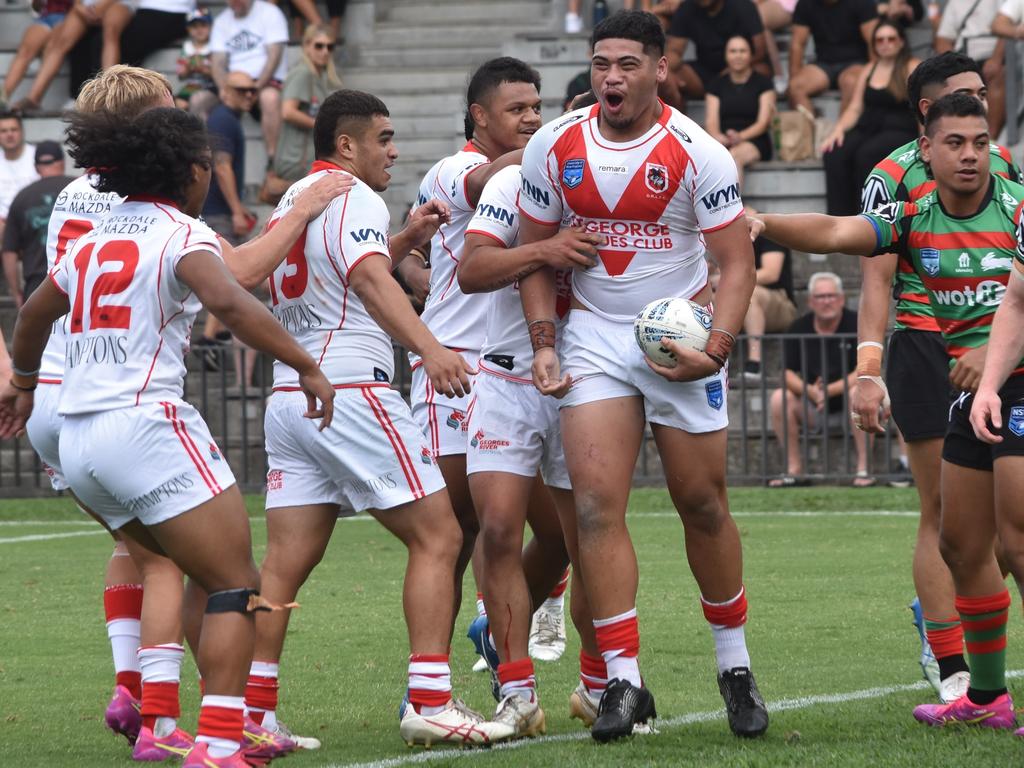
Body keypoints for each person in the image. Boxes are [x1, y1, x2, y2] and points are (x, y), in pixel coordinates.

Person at [27, 65, 350, 760]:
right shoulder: (182, 233)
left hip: (73, 429)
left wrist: (22, 383)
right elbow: (233, 298)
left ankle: (164, 718)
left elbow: (30, 312)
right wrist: (308, 364)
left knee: (169, 565)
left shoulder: (88, 225)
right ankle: (224, 740)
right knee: (237, 582)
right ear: (188, 168)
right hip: (142, 422)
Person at [517, 10, 768, 741]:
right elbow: (536, 254)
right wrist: (544, 342)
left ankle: (735, 667)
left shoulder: (699, 153)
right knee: (595, 509)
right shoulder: (552, 145)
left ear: (660, 68)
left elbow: (736, 264)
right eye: (601, 63)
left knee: (704, 504)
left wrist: (715, 348)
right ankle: (621, 683)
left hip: (681, 343)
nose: (611, 78)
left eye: (627, 63)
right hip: (593, 339)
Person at [244, 88, 515, 748]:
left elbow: (334, 270)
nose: (394, 152)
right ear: (347, 145)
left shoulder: (299, 199)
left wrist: (403, 240)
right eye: (384, 139)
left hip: (292, 396)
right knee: (441, 537)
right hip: (351, 391)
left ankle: (250, 713)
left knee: (281, 565)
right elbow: (365, 280)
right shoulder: (354, 195)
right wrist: (430, 347)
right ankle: (430, 699)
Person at [750, 92, 1023, 728]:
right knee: (959, 544)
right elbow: (839, 232)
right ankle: (987, 699)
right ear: (925, 150)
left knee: (1018, 538)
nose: (969, 156)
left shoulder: (1016, 210)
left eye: (980, 143)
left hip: (1019, 388)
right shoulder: (915, 216)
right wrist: (762, 221)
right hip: (970, 396)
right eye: (954, 143)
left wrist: (993, 358)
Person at [853, 51, 1015, 704]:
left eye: (984, 94)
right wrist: (868, 363)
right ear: (928, 112)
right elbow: (873, 269)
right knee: (942, 511)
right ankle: (950, 664)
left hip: (1002, 349)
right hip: (927, 346)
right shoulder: (890, 176)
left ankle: (951, 613)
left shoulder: (1001, 166)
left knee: (1000, 525)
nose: (981, 103)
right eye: (966, 95)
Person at [456, 92, 609, 735]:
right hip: (505, 378)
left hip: (586, 379)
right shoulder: (519, 179)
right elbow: (474, 268)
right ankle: (514, 690)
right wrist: (546, 251)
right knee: (496, 530)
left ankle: (602, 685)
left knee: (590, 538)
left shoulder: (619, 190)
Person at [396, 58, 550, 651]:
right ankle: (427, 680)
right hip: (453, 370)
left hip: (514, 367)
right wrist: (563, 141)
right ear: (479, 116)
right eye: (518, 110)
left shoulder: (533, 177)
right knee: (454, 530)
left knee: (552, 529)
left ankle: (501, 626)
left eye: (537, 108)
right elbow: (487, 184)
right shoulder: (453, 170)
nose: (533, 119)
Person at [767, 272, 870, 486]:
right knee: (779, 398)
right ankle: (794, 470)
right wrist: (810, 391)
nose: (827, 301)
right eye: (821, 297)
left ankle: (864, 469)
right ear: (811, 302)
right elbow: (785, 373)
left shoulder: (858, 323)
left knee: (858, 392)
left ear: (841, 298)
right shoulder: (798, 328)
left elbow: (864, 369)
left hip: (851, 408)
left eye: (831, 296)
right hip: (813, 408)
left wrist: (829, 390)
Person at [820, 20, 920, 215]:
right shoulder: (869, 68)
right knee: (834, 152)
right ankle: (839, 217)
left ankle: (867, 217)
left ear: (901, 41)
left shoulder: (912, 66)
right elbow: (855, 107)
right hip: (868, 127)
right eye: (879, 40)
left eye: (891, 39)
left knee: (866, 154)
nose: (885, 43)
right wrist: (838, 129)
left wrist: (925, 140)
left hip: (899, 129)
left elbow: (923, 107)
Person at [211, 0, 289, 165]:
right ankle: (208, 160)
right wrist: (224, 90)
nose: (235, 3)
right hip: (234, 84)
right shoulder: (221, 21)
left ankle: (272, 160)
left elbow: (274, 56)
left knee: (270, 99)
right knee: (199, 101)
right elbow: (217, 63)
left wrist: (255, 88)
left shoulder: (270, 13)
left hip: (264, 81)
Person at [1, 141, 75, 308]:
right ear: (62, 162)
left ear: (36, 167)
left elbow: (9, 253)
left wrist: (16, 292)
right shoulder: (81, 189)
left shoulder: (22, 197)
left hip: (38, 286)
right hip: (77, 281)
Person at [271, 24, 343, 185]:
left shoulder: (319, 76)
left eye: (329, 47)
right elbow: (288, 112)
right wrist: (322, 125)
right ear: (307, 46)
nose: (325, 51)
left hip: (307, 157)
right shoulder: (302, 73)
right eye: (319, 46)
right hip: (296, 160)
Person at [662, 0, 767, 108]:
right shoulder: (686, 7)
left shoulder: (743, 6)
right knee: (665, 77)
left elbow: (759, 51)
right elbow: (674, 51)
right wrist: (669, 72)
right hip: (704, 72)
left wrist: (731, 70)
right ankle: (677, 123)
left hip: (740, 66)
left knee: (761, 70)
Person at [704, 35, 776, 187]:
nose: (738, 55)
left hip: (754, 140)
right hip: (723, 140)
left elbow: (763, 123)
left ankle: (733, 209)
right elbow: (711, 121)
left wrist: (740, 137)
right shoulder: (716, 84)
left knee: (733, 157)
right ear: (726, 55)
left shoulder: (763, 83)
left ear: (751, 55)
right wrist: (718, 137)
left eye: (743, 51)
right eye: (733, 51)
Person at [787, 0, 878, 113]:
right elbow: (797, 44)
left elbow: (873, 41)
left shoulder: (862, 3)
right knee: (795, 87)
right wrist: (793, 78)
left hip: (856, 62)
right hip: (823, 63)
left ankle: (844, 130)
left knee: (851, 82)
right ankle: (807, 129)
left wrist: (875, 75)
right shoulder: (805, 3)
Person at [740, 221, 797, 380]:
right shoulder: (721, 230)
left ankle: (754, 361)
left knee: (749, 294)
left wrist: (727, 279)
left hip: (779, 302)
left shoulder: (765, 227)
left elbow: (771, 273)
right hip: (736, 295)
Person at [0, 0, 72, 107]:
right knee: (25, 50)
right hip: (47, 14)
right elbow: (36, 7)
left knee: (53, 48)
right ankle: (3, 97)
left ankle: (33, 99)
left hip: (71, 16)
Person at [0, 112, 40, 245]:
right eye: (4, 131)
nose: (9, 134)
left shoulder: (37, 156)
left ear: (22, 132)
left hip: (33, 221)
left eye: (14, 129)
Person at [175, 8, 218, 116]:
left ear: (211, 27)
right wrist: (188, 69)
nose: (199, 30)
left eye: (203, 25)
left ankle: (199, 131)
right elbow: (181, 75)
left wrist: (204, 70)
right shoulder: (187, 47)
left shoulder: (215, 47)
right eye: (194, 27)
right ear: (188, 29)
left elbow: (219, 74)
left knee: (198, 102)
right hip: (191, 86)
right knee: (178, 104)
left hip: (210, 86)